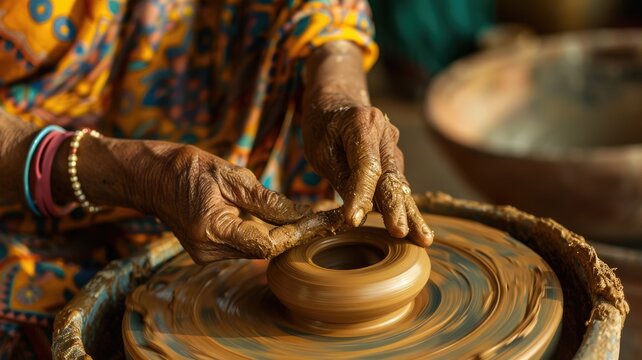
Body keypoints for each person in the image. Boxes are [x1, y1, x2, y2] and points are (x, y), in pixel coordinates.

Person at [0, 0, 432, 356]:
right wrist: (135, 173)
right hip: (29, 220)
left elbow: (325, 12)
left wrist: (337, 92)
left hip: (231, 212)